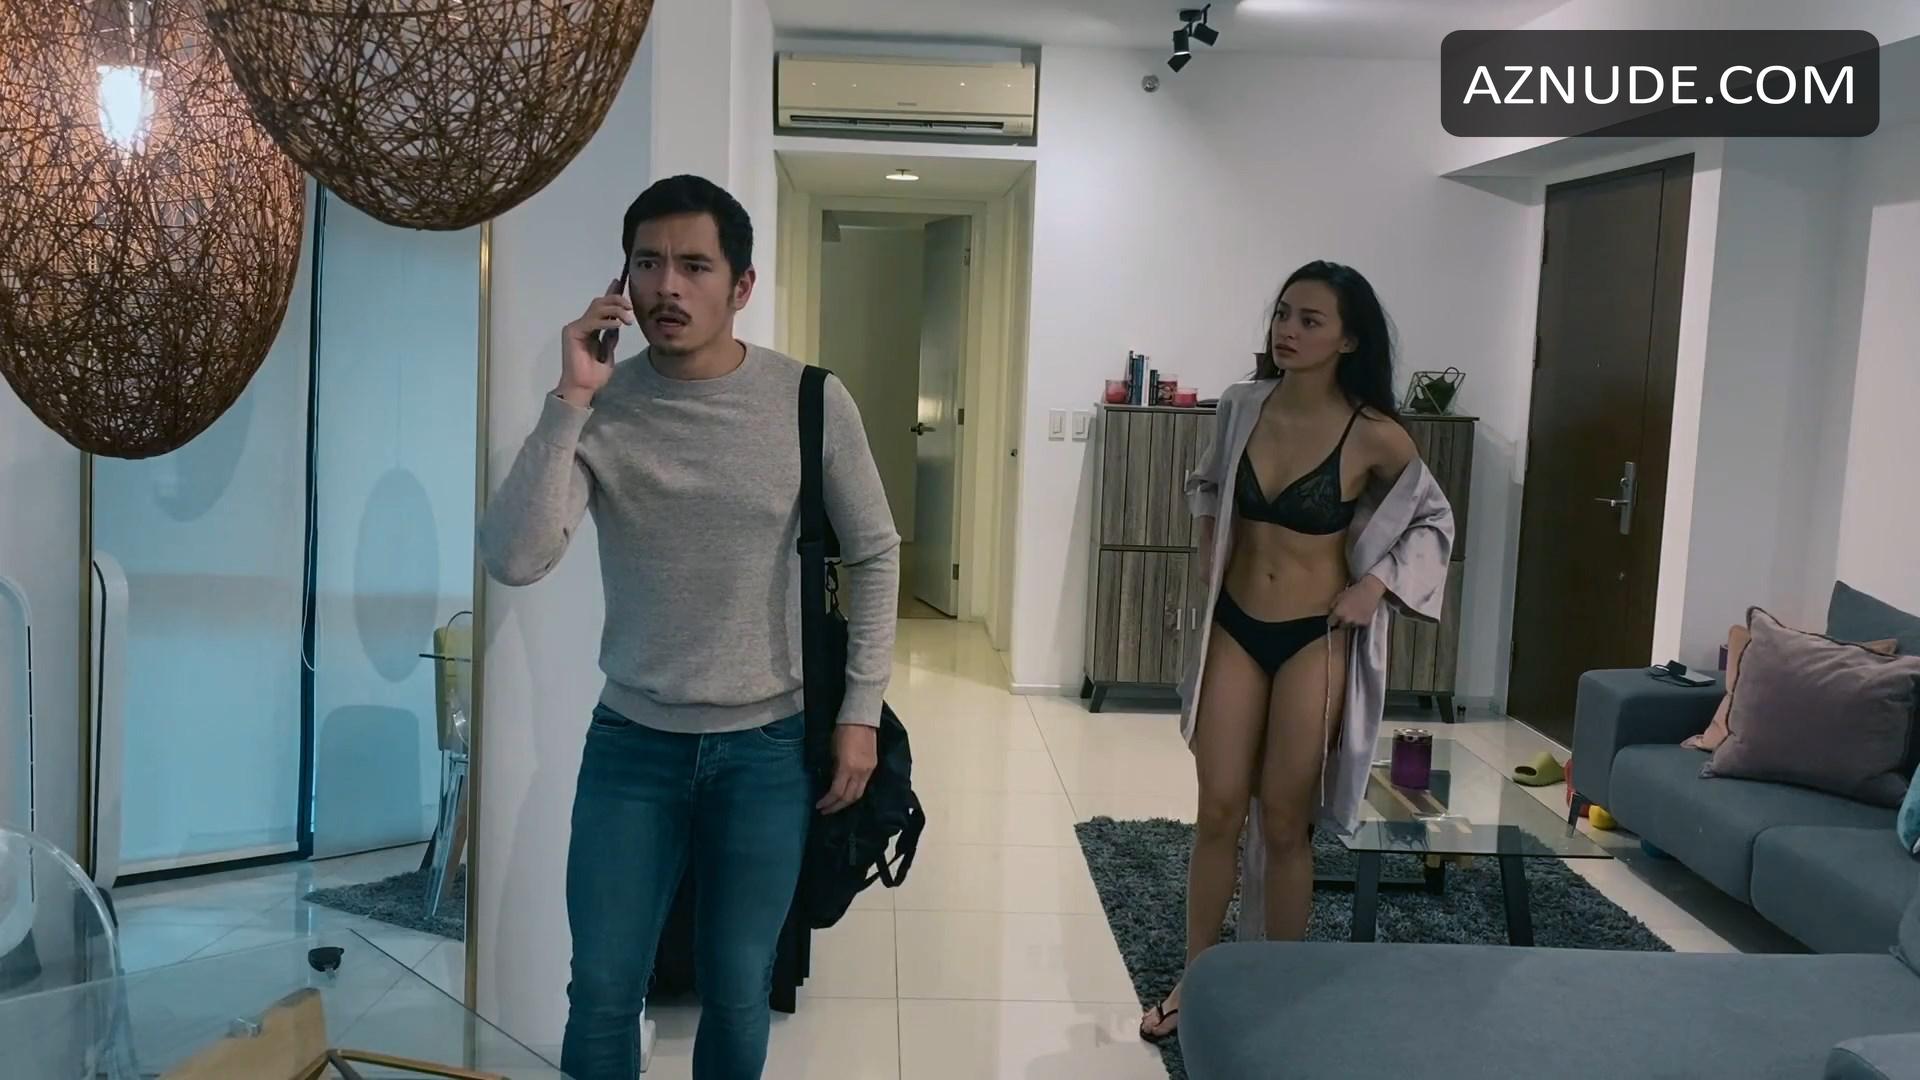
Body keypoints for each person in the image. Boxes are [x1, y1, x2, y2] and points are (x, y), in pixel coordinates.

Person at [478, 175, 901, 1080]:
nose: (667, 286)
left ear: (741, 285)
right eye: (647, 263)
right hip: (633, 744)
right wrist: (570, 397)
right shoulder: (602, 405)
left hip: (767, 748)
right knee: (601, 989)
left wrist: (859, 711)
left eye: (695, 266)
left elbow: (875, 553)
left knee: (740, 986)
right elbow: (515, 558)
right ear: (623, 279)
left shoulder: (810, 400)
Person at [1140, 261, 1454, 1043]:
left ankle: (1276, 993)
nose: (1288, 330)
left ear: (1348, 339)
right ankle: (1197, 978)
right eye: (1284, 313)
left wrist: (1374, 586)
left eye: (1311, 320)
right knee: (1218, 810)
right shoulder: (1242, 405)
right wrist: (1209, 543)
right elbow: (1208, 484)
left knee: (1285, 822)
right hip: (1236, 626)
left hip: (1315, 636)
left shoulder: (1374, 433)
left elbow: (1432, 519)